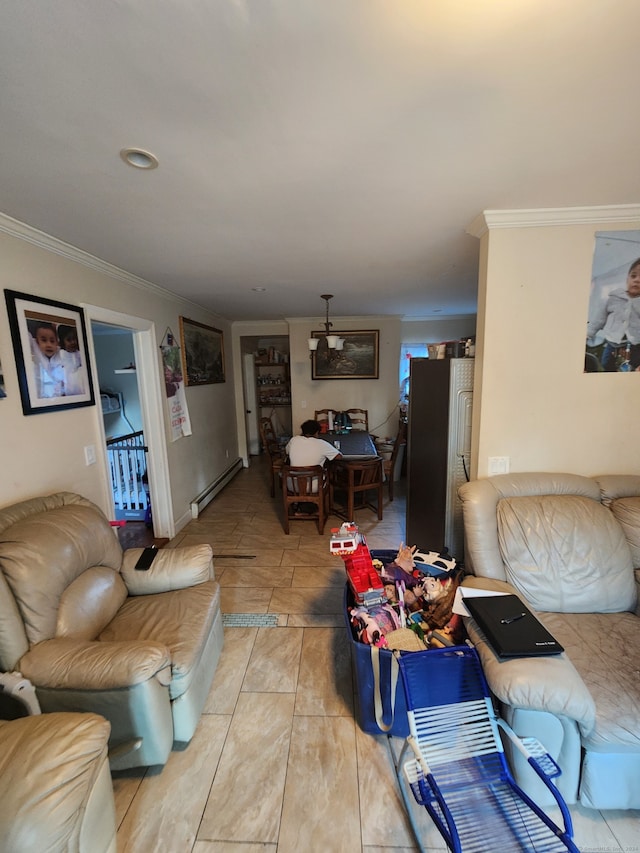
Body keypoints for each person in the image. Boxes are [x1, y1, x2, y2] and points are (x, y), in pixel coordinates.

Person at [587, 257, 640, 371]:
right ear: (627, 280)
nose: (637, 280)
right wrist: (587, 334)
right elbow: (598, 321)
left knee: (632, 370)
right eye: (633, 276)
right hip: (612, 343)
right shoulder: (613, 298)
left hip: (635, 345)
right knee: (606, 365)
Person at [285, 419, 342, 512]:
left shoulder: (294, 440)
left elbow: (287, 452)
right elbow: (339, 456)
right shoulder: (322, 444)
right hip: (314, 487)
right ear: (317, 432)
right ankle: (326, 507)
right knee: (328, 471)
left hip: (293, 485)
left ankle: (296, 503)